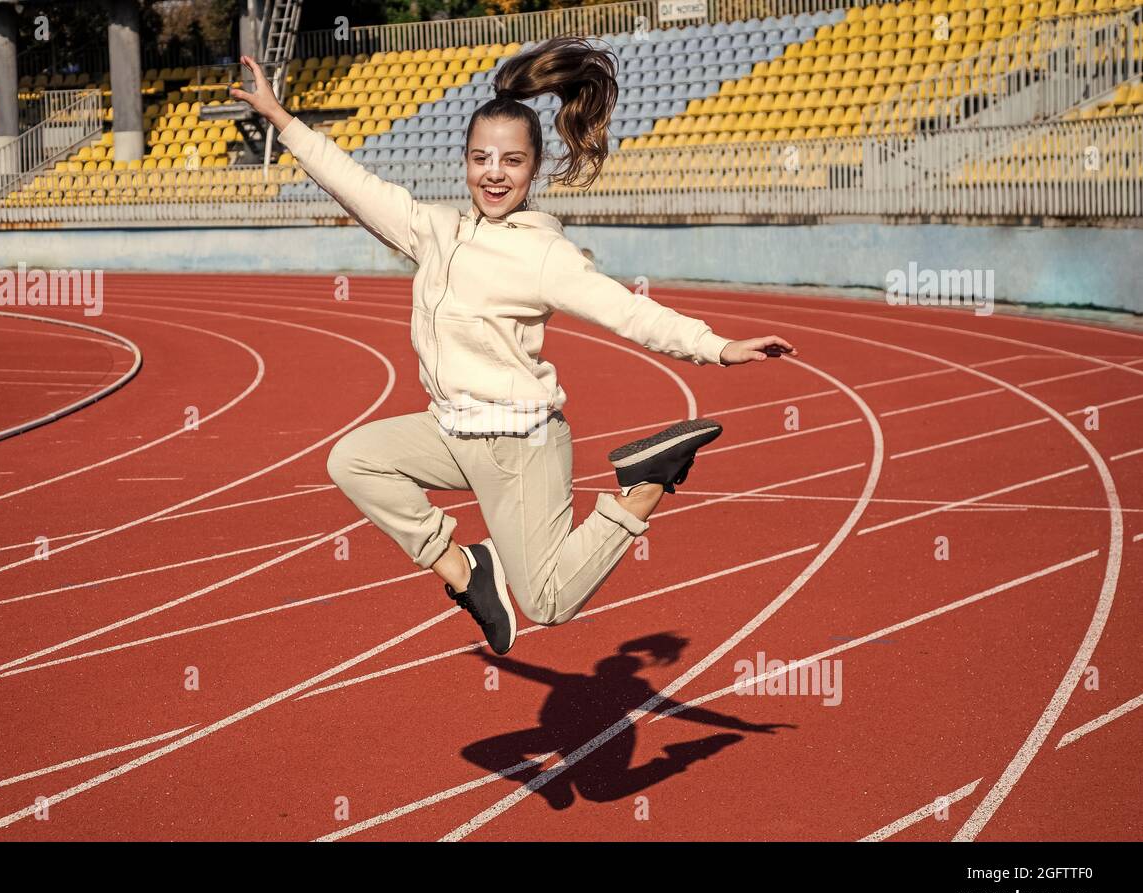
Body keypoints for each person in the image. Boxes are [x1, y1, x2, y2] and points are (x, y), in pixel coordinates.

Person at [229, 36, 797, 656]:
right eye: (481, 159)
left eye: (511, 162)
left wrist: (714, 347)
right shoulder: (436, 230)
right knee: (355, 459)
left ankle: (647, 482)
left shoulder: (543, 254)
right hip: (452, 431)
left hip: (517, 443)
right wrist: (283, 119)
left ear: (533, 167)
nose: (493, 174)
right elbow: (355, 184)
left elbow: (625, 309)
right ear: (466, 162)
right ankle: (468, 572)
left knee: (548, 604)